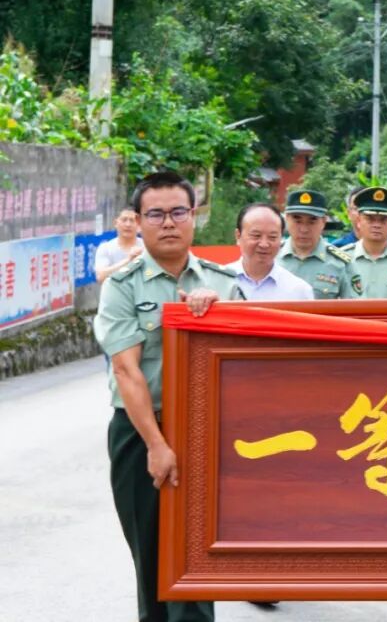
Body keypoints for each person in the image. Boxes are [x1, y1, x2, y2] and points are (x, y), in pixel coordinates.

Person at [94, 171, 242, 622]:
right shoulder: (122, 286)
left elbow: (246, 359)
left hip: (208, 430)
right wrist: (157, 444)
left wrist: (219, 313)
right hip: (140, 431)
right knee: (152, 551)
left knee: (198, 554)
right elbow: (127, 370)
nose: (168, 223)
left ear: (194, 216)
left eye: (178, 211)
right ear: (138, 221)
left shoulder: (224, 283)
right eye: (155, 214)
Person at [227, 203, 314, 301]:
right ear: (238, 236)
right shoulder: (218, 280)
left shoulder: (299, 291)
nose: (264, 244)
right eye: (256, 235)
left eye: (272, 237)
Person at [277, 189, 352, 299]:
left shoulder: (341, 264)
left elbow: (353, 306)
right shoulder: (272, 257)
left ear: (323, 221)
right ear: (287, 219)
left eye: (312, 222)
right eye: (298, 221)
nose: (304, 229)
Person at [95, 206, 145, 282]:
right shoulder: (106, 248)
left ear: (139, 225)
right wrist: (129, 260)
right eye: (124, 220)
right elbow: (100, 277)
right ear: (116, 223)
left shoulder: (147, 247)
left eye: (132, 220)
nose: (128, 224)